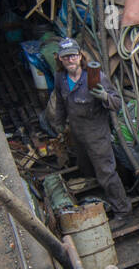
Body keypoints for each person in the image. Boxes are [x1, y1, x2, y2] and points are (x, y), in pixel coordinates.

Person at [47, 38, 134, 223]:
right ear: (60, 60)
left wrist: (104, 96)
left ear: (80, 56)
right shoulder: (60, 78)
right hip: (77, 133)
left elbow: (117, 103)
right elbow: (61, 103)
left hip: (97, 135)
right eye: (66, 57)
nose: (70, 60)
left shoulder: (95, 77)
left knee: (106, 173)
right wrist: (59, 124)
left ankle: (123, 211)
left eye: (73, 56)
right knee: (86, 167)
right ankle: (99, 197)